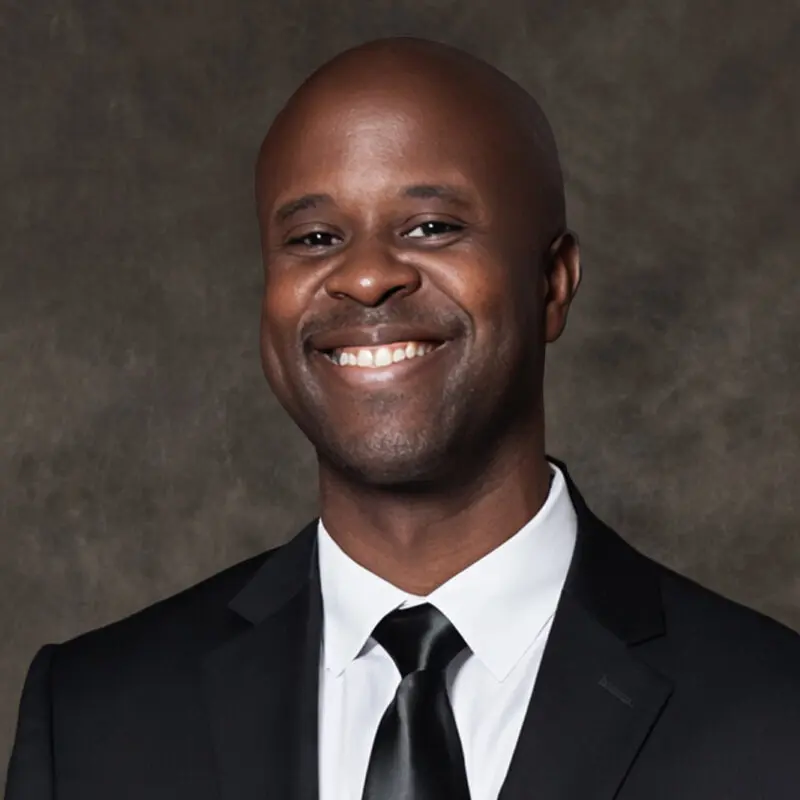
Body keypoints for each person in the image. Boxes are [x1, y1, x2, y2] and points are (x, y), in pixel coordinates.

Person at [6, 36, 800, 800]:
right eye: (315, 238)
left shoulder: (774, 716)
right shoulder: (88, 717)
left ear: (553, 283)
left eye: (431, 227)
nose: (364, 277)